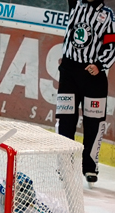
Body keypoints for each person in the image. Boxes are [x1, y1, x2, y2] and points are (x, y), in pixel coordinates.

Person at [56, 0, 115, 188]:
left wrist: (100, 65)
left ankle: (90, 166)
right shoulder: (76, 4)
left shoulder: (108, 15)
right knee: (65, 120)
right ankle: (64, 164)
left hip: (93, 76)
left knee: (94, 122)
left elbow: (112, 44)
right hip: (69, 73)